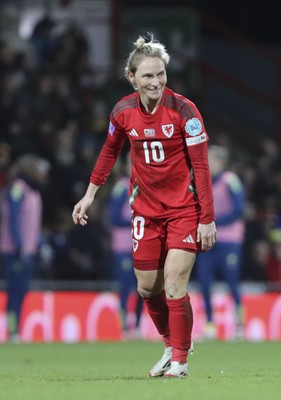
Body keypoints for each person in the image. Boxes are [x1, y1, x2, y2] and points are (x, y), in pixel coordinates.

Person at [72, 33, 216, 378]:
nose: (156, 82)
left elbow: (202, 166)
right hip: (145, 212)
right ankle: (171, 344)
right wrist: (90, 193)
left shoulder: (185, 111)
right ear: (132, 77)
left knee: (174, 281)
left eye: (161, 74)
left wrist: (206, 219)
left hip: (184, 209)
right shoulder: (122, 111)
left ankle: (180, 360)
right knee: (146, 288)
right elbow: (110, 151)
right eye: (148, 76)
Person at [194, 145, 245, 340]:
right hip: (209, 240)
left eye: (212, 160)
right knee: (205, 282)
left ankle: (240, 325)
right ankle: (209, 324)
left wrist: (213, 221)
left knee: (232, 282)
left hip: (230, 240)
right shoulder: (202, 182)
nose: (208, 164)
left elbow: (239, 209)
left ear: (221, 162)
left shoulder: (231, 181)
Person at [0, 154, 50, 342]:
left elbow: (32, 223)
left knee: (21, 291)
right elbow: (12, 219)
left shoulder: (32, 191)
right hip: (15, 251)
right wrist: (19, 245)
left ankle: (16, 331)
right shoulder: (18, 189)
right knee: (14, 291)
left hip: (27, 250)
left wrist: (38, 244)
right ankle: (12, 331)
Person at [107, 153, 143, 339]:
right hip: (123, 246)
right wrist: (134, 220)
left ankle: (136, 326)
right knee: (125, 286)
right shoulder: (121, 187)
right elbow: (112, 216)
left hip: (142, 245)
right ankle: (122, 328)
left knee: (142, 287)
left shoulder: (145, 186)